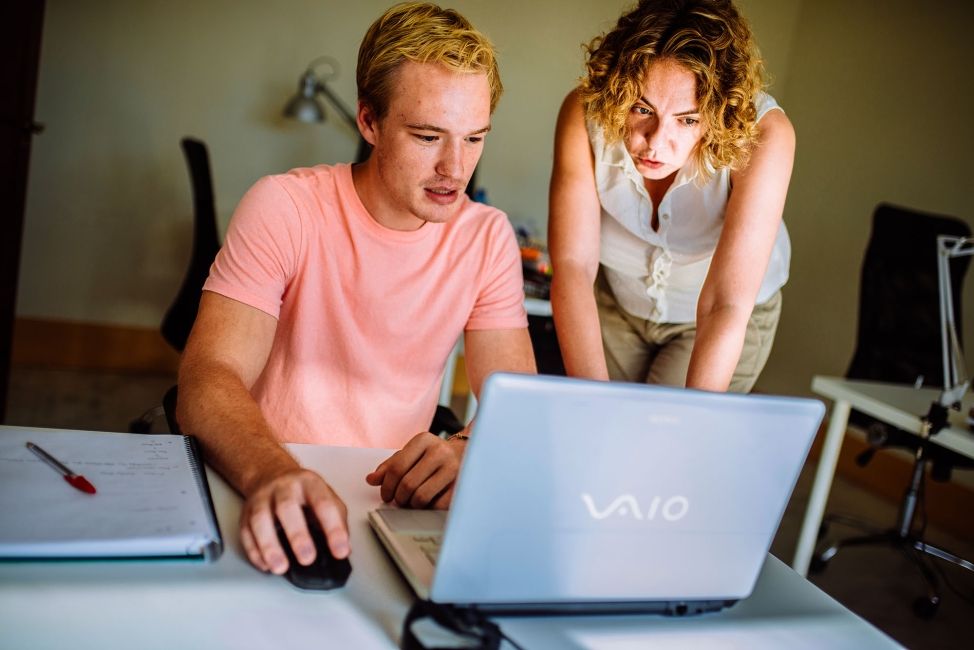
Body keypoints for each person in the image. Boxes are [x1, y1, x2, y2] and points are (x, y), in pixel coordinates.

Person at [176, 2, 535, 576]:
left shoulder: (486, 236)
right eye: (427, 136)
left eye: (474, 138)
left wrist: (468, 449)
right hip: (266, 471)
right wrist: (273, 471)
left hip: (389, 505)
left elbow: (515, 406)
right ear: (369, 122)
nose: (455, 167)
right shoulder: (286, 207)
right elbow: (205, 378)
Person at [549, 0, 795, 393]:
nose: (655, 142)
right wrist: (591, 405)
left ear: (718, 112)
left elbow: (725, 304)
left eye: (688, 119)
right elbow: (573, 267)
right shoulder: (584, 113)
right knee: (605, 437)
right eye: (641, 108)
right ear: (616, 90)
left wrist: (692, 427)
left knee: (667, 446)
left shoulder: (763, 135)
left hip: (718, 318)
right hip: (617, 306)